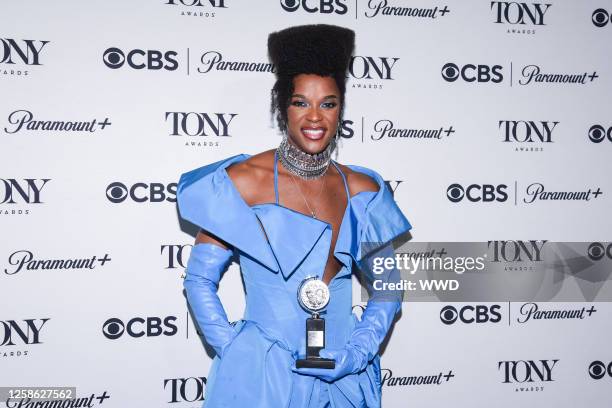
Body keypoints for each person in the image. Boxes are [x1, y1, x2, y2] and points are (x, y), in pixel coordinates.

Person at [177, 24, 412, 407]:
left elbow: (388, 287)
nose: (314, 118)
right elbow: (200, 279)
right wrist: (238, 351)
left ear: (340, 111)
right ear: (282, 106)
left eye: (328, 103)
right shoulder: (245, 182)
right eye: (301, 102)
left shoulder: (361, 190)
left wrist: (356, 354)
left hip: (343, 382)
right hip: (262, 381)